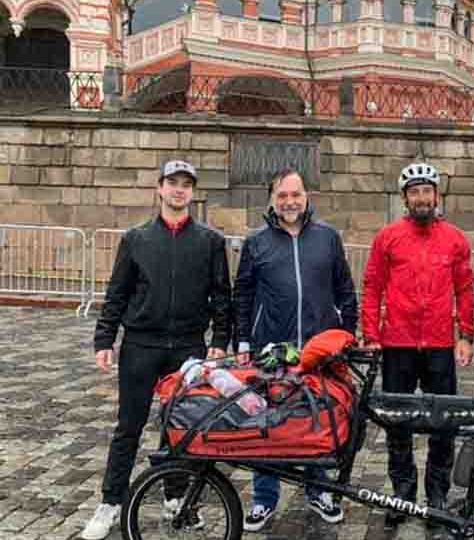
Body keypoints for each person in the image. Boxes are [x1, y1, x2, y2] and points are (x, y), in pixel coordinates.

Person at [81, 160, 231, 540]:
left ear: (192, 192)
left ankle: (175, 496)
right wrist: (104, 339)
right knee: (128, 427)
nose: (179, 189)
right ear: (159, 188)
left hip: (188, 347)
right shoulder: (136, 239)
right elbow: (118, 292)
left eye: (186, 184)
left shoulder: (210, 242)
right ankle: (111, 501)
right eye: (172, 182)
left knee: (179, 427)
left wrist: (220, 341)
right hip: (141, 345)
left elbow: (221, 297)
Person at [234, 169, 358, 532]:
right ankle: (264, 498)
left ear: (306, 197)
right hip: (272, 349)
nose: (290, 202)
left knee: (317, 421)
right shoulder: (256, 242)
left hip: (319, 351)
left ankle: (318, 490)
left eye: (296, 194)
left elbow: (345, 290)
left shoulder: (327, 237)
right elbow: (243, 294)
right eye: (283, 195)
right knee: (267, 424)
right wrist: (243, 341)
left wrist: (346, 335)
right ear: (272, 199)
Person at [362, 162, 474, 539]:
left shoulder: (455, 239)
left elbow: (465, 289)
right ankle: (403, 494)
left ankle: (437, 496)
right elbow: (372, 285)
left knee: (444, 423)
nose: (422, 198)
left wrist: (466, 335)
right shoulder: (388, 237)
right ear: (405, 198)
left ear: (436, 195)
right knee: (397, 422)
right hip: (398, 344)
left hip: (440, 345)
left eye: (427, 191)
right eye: (415, 192)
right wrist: (371, 334)